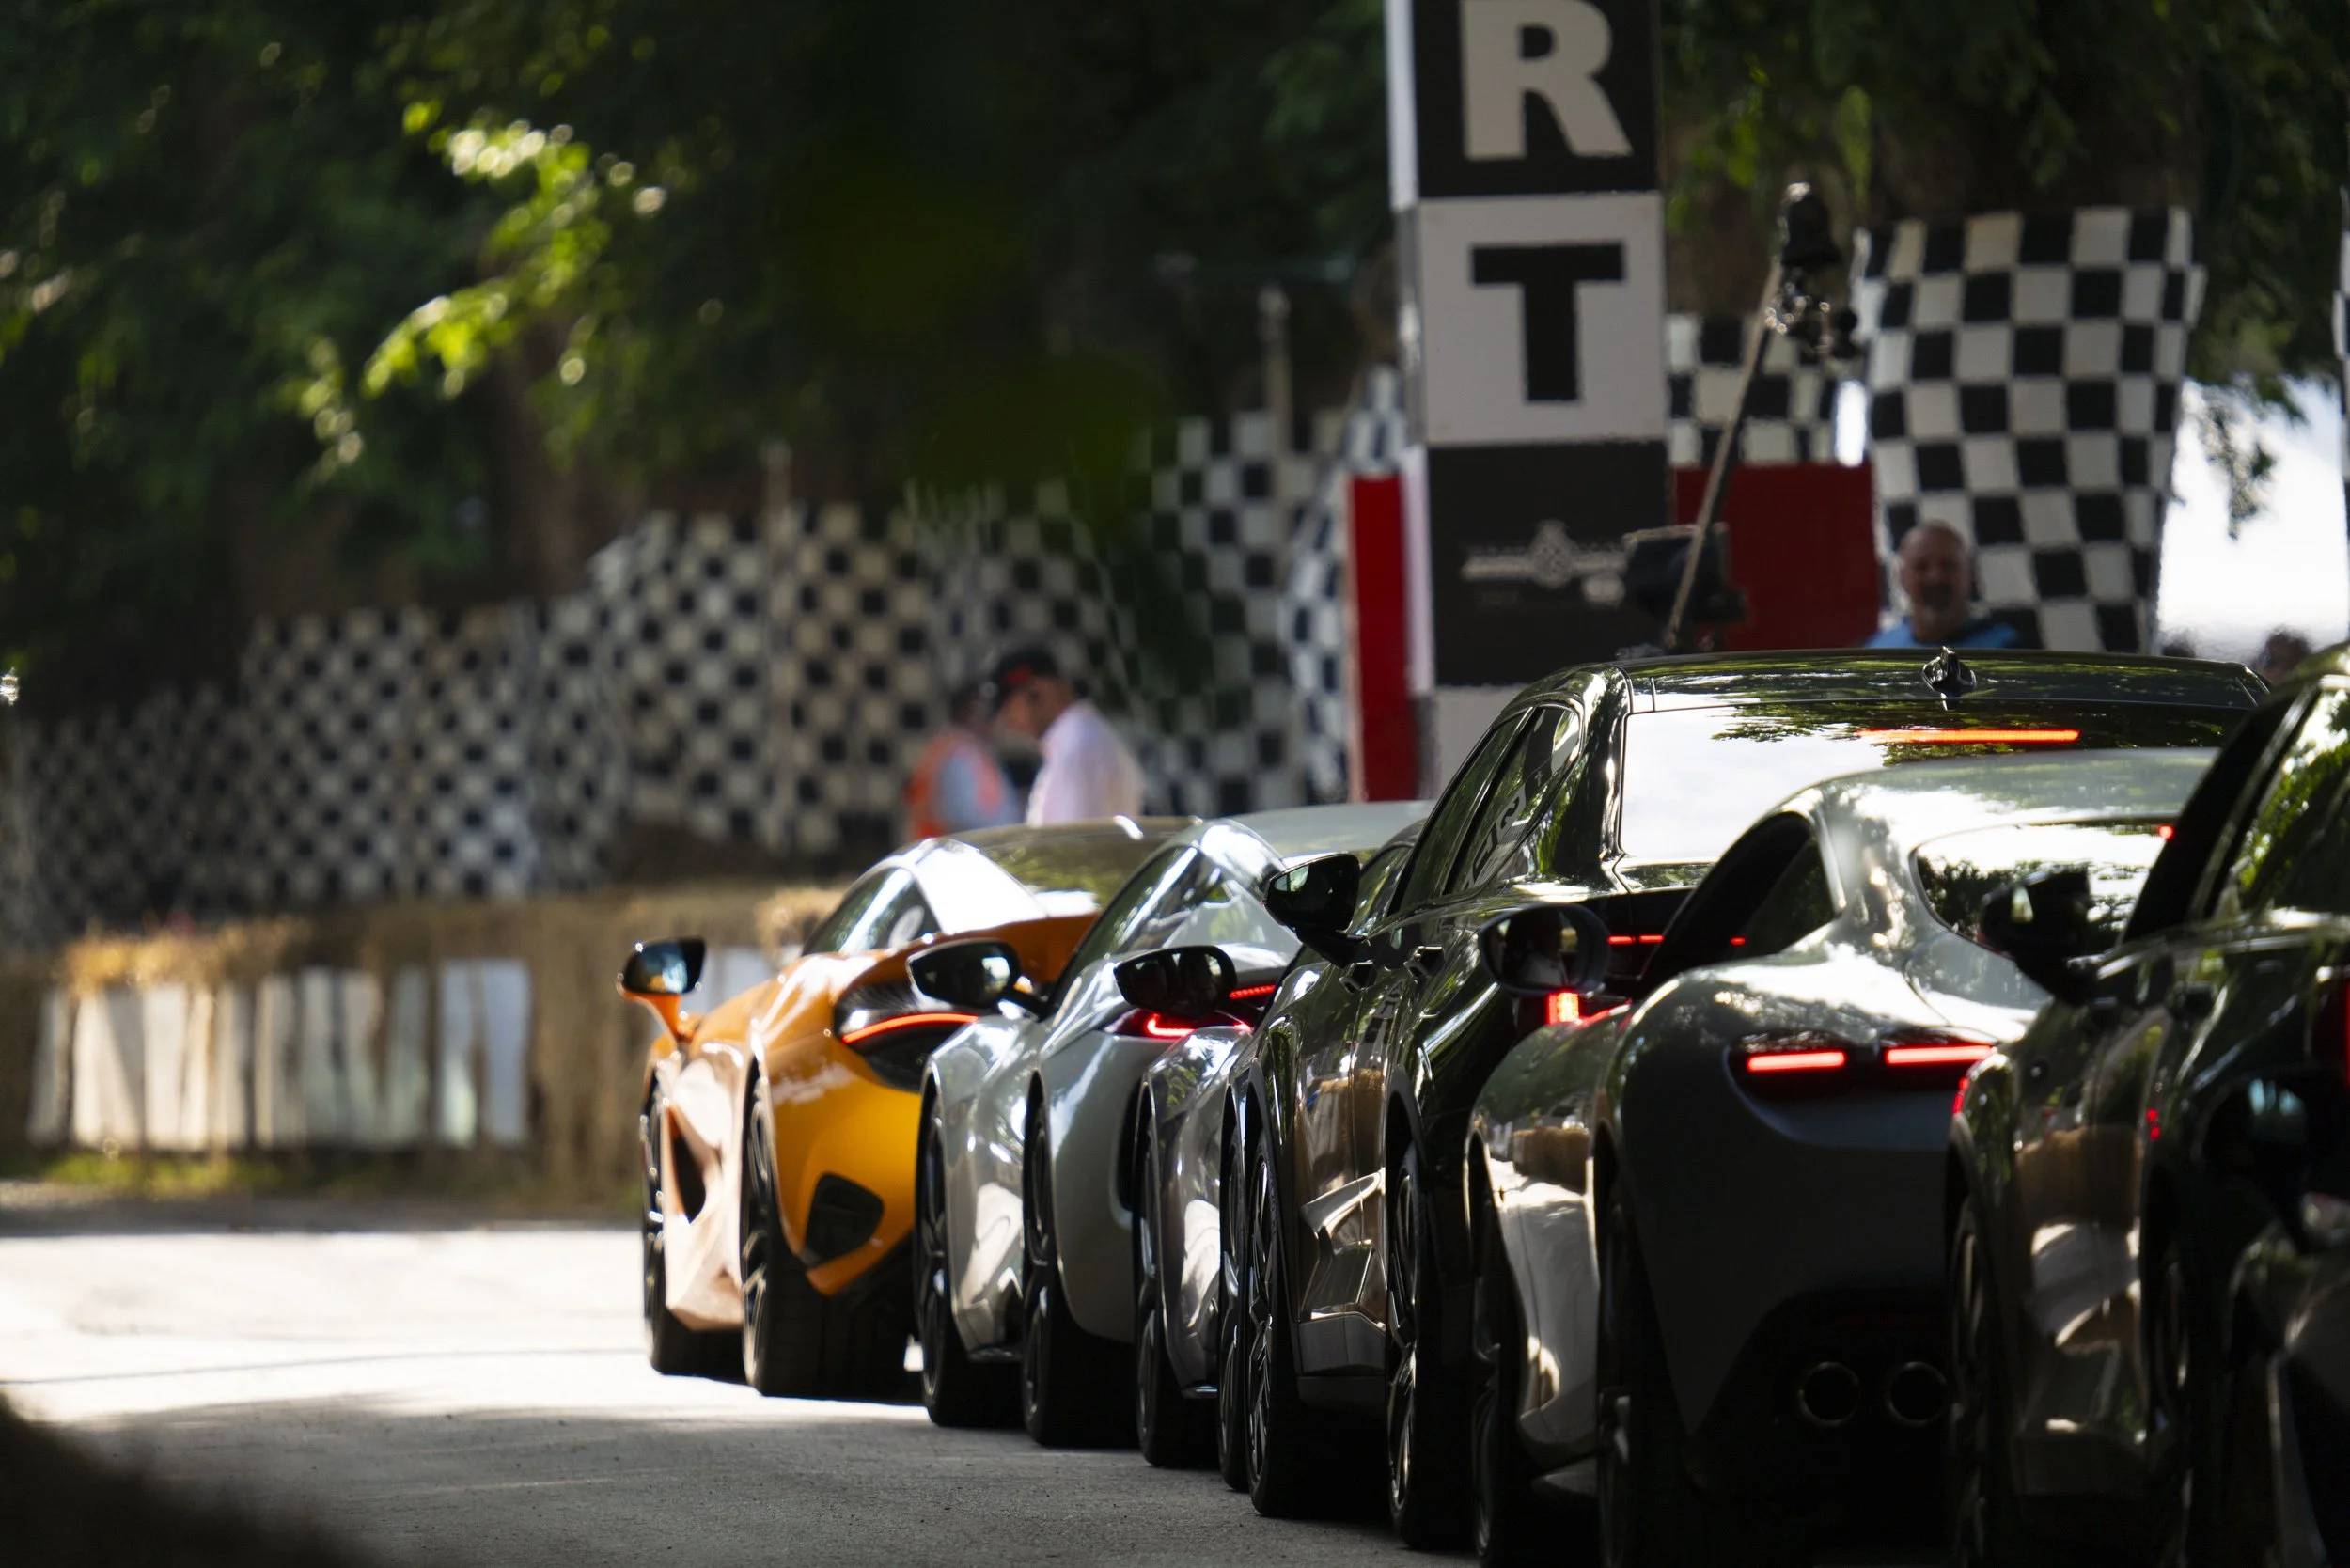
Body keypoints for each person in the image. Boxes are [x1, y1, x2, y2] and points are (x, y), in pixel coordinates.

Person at [987, 646, 1144, 824]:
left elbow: (1071, 845)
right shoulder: (1081, 738)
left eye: (1009, 710)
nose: (1009, 724)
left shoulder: (1079, 746)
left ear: (1037, 692)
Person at [1863, 520, 2026, 650]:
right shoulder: (1878, 654)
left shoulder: (2010, 652)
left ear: (1970, 574)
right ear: (1901, 578)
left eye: (1948, 565)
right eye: (1921, 567)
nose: (1936, 578)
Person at [902, 680, 1020, 840]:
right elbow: (961, 818)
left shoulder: (960, 749)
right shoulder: (958, 756)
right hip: (951, 859)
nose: (1002, 720)